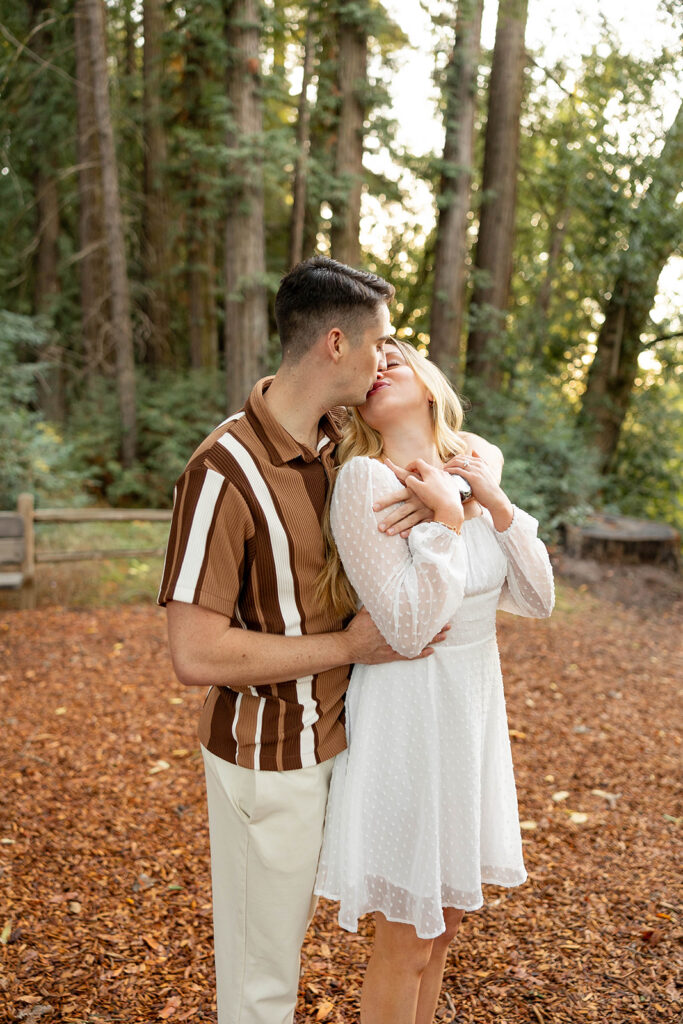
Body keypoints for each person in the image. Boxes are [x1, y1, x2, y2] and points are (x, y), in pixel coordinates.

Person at [158, 256, 497, 1024]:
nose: (390, 360)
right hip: (268, 754)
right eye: (381, 343)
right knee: (262, 982)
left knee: (393, 940)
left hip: (352, 741)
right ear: (336, 344)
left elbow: (457, 447)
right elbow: (195, 653)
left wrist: (468, 495)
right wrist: (350, 647)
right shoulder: (222, 472)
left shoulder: (338, 444)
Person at [314, 338, 555, 1024]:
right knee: (405, 945)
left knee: (441, 931)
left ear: (427, 381)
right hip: (407, 717)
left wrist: (492, 499)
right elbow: (410, 628)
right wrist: (448, 524)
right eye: (371, 363)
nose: (381, 367)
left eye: (396, 357)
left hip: (469, 716)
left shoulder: (474, 465)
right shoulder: (364, 481)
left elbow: (537, 600)